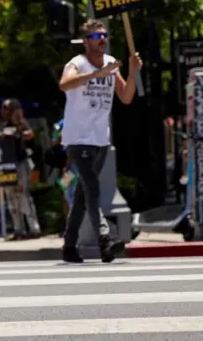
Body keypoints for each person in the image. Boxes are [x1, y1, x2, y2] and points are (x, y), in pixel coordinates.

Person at [59, 18, 143, 263]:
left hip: (100, 139)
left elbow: (126, 97)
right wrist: (98, 74)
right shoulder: (77, 63)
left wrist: (132, 69)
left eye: (104, 35)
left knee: (84, 196)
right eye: (97, 36)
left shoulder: (110, 64)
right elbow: (64, 84)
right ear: (86, 42)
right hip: (79, 138)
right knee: (93, 188)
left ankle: (69, 246)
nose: (103, 39)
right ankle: (105, 239)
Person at [2, 99, 41, 240]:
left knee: (24, 196)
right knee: (11, 198)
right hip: (8, 167)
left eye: (6, 108)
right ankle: (19, 230)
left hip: (21, 164)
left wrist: (17, 133)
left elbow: (30, 134)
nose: (3, 111)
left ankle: (34, 228)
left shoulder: (22, 124)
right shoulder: (5, 125)